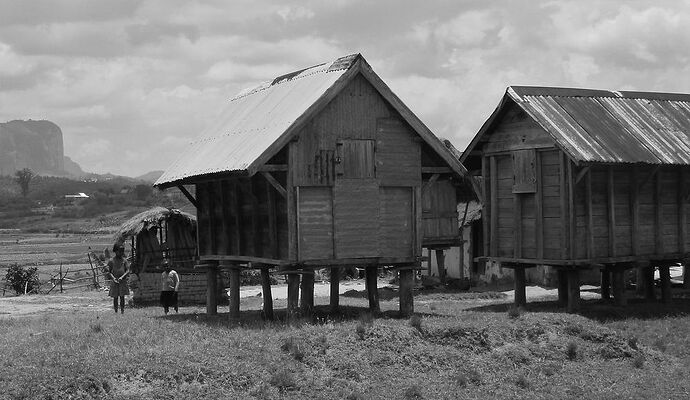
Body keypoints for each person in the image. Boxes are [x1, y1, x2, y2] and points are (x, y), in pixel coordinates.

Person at [107, 243, 130, 314]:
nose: (121, 253)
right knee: (115, 297)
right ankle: (116, 311)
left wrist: (122, 277)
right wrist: (113, 278)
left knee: (122, 296)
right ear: (115, 251)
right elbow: (109, 272)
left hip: (122, 281)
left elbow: (127, 270)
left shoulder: (124, 261)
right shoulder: (111, 261)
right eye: (119, 251)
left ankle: (122, 310)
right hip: (115, 281)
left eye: (122, 251)